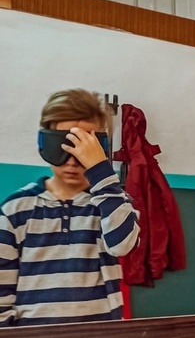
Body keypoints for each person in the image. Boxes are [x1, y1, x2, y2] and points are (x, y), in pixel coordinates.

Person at [0, 88, 140, 325]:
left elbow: (123, 245)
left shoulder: (111, 203)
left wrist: (101, 172)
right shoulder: (16, 210)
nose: (73, 162)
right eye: (63, 146)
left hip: (102, 337)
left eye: (83, 148)